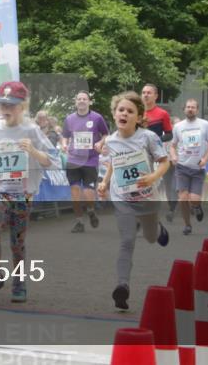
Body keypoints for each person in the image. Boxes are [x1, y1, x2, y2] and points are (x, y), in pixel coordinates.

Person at [0, 80, 56, 303]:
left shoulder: (31, 130)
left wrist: (32, 150)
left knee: (16, 242)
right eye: (2, 105)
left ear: (23, 106)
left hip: (23, 195)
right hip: (0, 191)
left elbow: (52, 159)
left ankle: (19, 283)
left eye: (11, 105)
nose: (6, 109)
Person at [97, 91, 170, 310]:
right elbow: (113, 162)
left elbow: (165, 162)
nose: (125, 114)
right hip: (123, 199)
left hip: (147, 198)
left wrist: (153, 176)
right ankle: (122, 287)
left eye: (130, 111)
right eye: (121, 110)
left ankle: (157, 230)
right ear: (114, 114)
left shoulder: (148, 137)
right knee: (127, 240)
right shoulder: (110, 140)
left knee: (148, 237)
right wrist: (105, 182)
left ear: (138, 117)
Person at [61, 91, 110, 233]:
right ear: (76, 102)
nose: (82, 101)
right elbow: (65, 136)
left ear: (89, 102)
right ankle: (79, 222)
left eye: (84, 99)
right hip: (73, 160)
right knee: (75, 191)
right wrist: (64, 144)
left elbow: (106, 134)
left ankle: (91, 210)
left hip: (90, 160)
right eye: (79, 99)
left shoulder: (97, 117)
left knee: (88, 191)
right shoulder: (69, 119)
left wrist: (100, 142)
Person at [170, 99, 208, 235]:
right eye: (188, 107)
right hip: (182, 166)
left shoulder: (204, 124)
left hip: (198, 168)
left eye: (193, 107)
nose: (190, 109)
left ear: (197, 110)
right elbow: (173, 145)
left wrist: (205, 159)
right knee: (183, 198)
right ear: (184, 109)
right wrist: (173, 156)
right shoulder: (178, 127)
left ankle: (197, 206)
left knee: (194, 199)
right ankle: (187, 225)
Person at [141, 84, 177, 222]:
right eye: (143, 92)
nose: (145, 95)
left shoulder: (162, 114)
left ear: (156, 96)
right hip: (138, 155)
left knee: (152, 185)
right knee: (140, 186)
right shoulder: (136, 112)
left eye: (149, 92)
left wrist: (156, 140)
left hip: (155, 155)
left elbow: (169, 135)